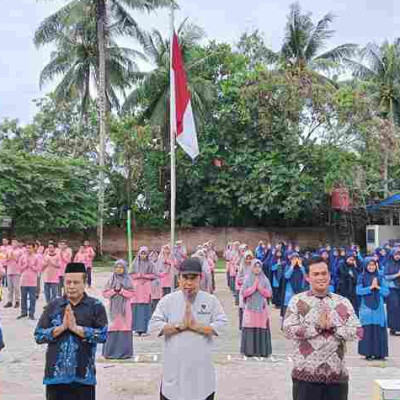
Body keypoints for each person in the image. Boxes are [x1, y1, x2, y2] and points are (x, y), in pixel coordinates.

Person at [283, 256, 362, 400]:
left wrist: (335, 329)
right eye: (316, 274)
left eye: (324, 273)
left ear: (330, 275)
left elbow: (358, 331)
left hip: (337, 377)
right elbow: (288, 330)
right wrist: (316, 328)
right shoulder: (298, 301)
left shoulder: (341, 303)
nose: (321, 277)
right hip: (305, 376)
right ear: (307, 277)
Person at [149, 258, 227, 400]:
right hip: (174, 372)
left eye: (193, 278)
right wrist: (180, 326)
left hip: (201, 375)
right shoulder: (168, 301)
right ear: (179, 278)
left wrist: (197, 327)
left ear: (200, 278)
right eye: (185, 277)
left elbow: (222, 325)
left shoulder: (211, 301)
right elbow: (154, 326)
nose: (189, 283)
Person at [34, 262, 108, 400]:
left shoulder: (95, 306)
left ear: (84, 283)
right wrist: (61, 328)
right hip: (55, 377)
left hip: (83, 376)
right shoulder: (53, 306)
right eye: (68, 282)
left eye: (76, 282)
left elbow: (103, 335)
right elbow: (38, 335)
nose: (71, 286)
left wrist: (77, 329)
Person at [357, 257, 389, 360]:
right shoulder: (361, 277)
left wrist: (378, 287)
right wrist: (370, 287)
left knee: (378, 329)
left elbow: (386, 292)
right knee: (368, 330)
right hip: (366, 308)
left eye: (373, 265)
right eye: (369, 265)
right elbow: (358, 291)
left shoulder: (380, 277)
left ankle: (380, 353)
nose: (371, 267)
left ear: (376, 266)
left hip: (378, 307)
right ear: (366, 266)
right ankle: (368, 353)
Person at [102, 260, 135, 359]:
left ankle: (124, 353)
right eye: (117, 267)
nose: (118, 269)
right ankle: (110, 352)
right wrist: (113, 291)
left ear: (124, 269)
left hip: (125, 309)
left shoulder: (128, 280)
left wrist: (121, 291)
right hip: (113, 310)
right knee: (112, 328)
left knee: (124, 328)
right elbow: (105, 294)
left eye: (121, 267)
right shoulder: (111, 279)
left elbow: (132, 294)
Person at [240, 259, 272, 358]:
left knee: (261, 327)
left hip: (262, 309)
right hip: (250, 308)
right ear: (252, 268)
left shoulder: (265, 279)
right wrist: (254, 287)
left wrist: (260, 288)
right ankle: (249, 350)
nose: (257, 269)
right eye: (255, 267)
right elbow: (243, 293)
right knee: (250, 326)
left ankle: (262, 351)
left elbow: (269, 293)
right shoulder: (247, 278)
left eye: (259, 267)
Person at [130, 247, 156, 335]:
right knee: (136, 309)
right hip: (137, 289)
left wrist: (144, 276)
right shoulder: (134, 263)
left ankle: (144, 329)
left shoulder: (151, 264)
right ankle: (136, 329)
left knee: (145, 309)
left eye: (145, 254)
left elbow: (154, 275)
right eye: (142, 253)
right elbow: (131, 274)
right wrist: (138, 275)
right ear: (139, 254)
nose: (143, 255)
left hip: (146, 288)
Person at [18, 242, 42, 320]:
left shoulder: (36, 257)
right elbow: (19, 268)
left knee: (32, 299)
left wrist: (31, 266)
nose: (28, 249)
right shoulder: (22, 257)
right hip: (23, 281)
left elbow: (39, 269)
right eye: (27, 248)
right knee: (23, 298)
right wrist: (25, 265)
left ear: (33, 248)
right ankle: (23, 313)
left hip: (32, 282)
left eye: (30, 248)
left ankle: (31, 314)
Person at [281, 252, 307, 318]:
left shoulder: (302, 267)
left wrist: (301, 266)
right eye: (293, 259)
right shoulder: (288, 267)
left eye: (296, 258)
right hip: (290, 291)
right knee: (289, 308)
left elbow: (305, 277)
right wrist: (292, 266)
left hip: (299, 290)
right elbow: (286, 276)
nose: (295, 260)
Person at [336, 251, 360, 315]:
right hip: (343, 290)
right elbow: (342, 275)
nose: (351, 261)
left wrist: (353, 274)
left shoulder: (353, 267)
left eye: (353, 260)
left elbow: (356, 277)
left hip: (352, 291)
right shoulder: (341, 265)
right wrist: (349, 274)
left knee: (353, 308)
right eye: (350, 259)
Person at [384, 248, 400, 335]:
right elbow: (386, 276)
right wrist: (397, 275)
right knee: (394, 307)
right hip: (392, 288)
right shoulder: (388, 264)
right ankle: (393, 328)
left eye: (399, 254)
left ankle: (398, 328)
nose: (397, 256)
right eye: (396, 254)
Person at [4, 239, 22, 309]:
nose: (13, 244)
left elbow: (20, 261)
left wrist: (13, 257)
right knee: (9, 288)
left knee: (16, 288)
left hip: (16, 271)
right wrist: (8, 257)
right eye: (12, 242)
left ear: (17, 243)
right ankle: (10, 301)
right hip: (9, 270)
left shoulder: (20, 251)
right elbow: (5, 260)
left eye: (15, 242)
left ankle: (17, 301)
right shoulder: (8, 250)